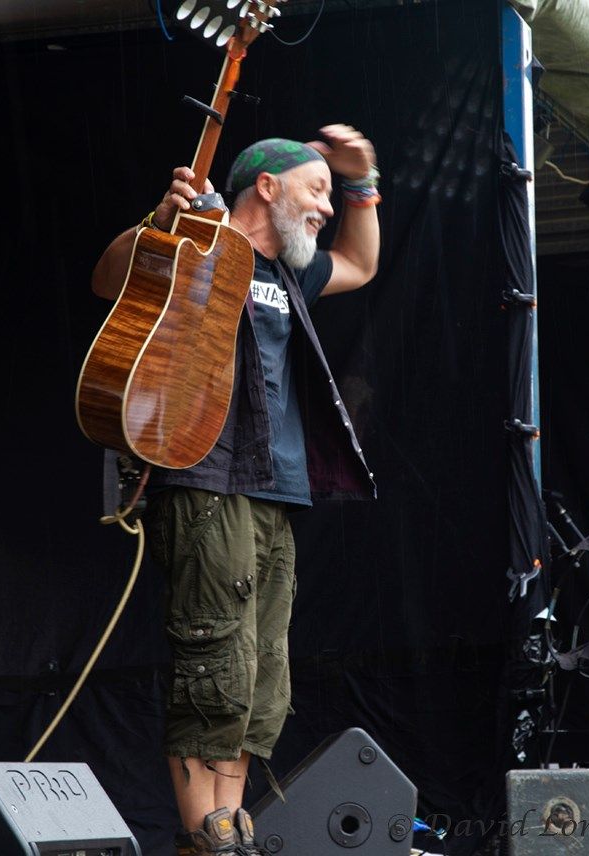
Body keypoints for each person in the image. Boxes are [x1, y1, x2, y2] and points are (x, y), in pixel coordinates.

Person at [91, 125, 380, 854]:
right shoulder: (199, 245)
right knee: (214, 656)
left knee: (261, 669)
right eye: (318, 190)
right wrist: (160, 221)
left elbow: (361, 263)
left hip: (277, 487)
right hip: (205, 473)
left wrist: (360, 184)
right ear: (268, 186)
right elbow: (109, 278)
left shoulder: (288, 273)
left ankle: (231, 824)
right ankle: (205, 833)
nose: (325, 208)